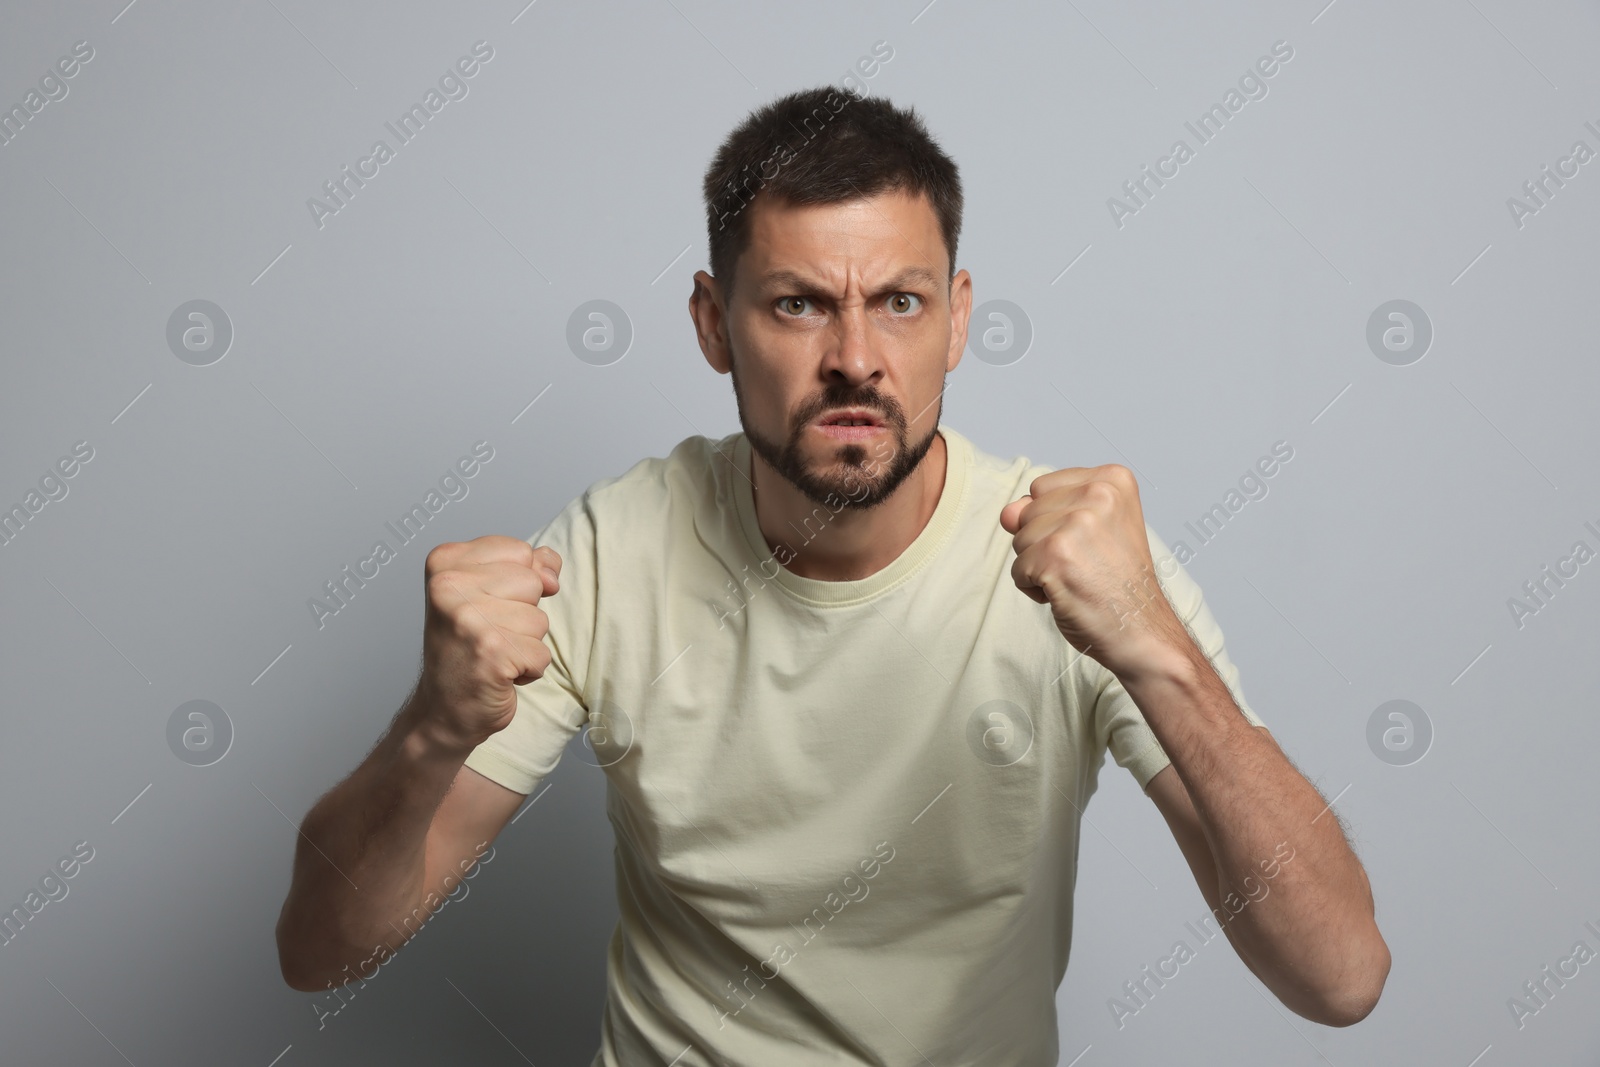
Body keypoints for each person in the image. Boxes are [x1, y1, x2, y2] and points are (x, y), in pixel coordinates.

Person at [275, 85, 1389, 1064]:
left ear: (956, 321)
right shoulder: (615, 550)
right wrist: (429, 727)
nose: (855, 356)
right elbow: (321, 952)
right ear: (715, 325)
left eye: (898, 302)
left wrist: (1154, 644)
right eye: (798, 302)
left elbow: (1337, 977)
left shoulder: (1085, 559)